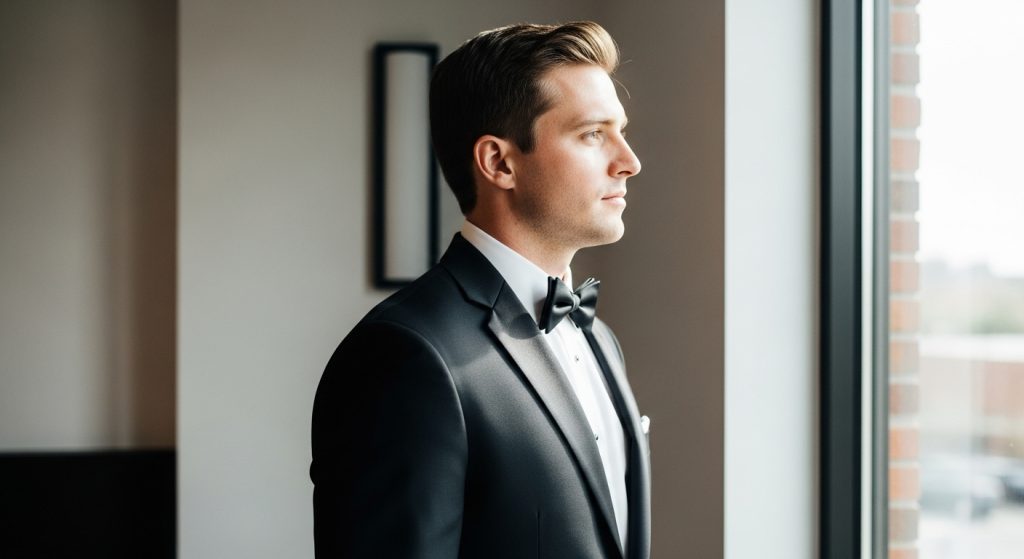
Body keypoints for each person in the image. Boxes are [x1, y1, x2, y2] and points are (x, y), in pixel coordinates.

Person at [311, 21, 650, 559]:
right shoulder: (404, 355)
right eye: (592, 134)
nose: (629, 162)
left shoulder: (600, 340)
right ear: (499, 162)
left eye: (621, 131)